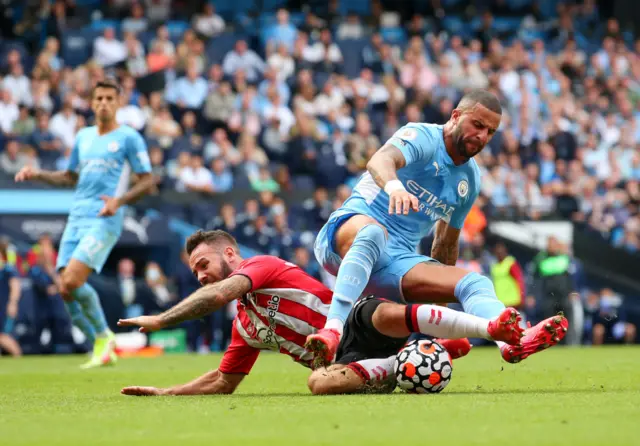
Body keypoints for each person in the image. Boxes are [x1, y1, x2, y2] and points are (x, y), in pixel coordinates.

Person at [309, 89, 568, 367]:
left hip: (395, 262)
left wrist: (442, 327)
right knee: (373, 232)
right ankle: (333, 330)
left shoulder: (469, 180)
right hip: (346, 235)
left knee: (476, 282)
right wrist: (395, 187)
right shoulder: (423, 137)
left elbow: (444, 246)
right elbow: (380, 160)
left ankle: (512, 342)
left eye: (490, 132)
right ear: (456, 116)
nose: (482, 136)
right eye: (477, 125)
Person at [117, 230, 523, 396]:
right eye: (194, 272)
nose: (201, 275)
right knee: (318, 384)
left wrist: (161, 320)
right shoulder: (245, 325)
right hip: (350, 360)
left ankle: (489, 326)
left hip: (348, 321)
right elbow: (223, 381)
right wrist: (167, 393)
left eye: (203, 264)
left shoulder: (261, 267)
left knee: (379, 314)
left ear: (229, 253)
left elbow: (222, 291)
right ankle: (424, 354)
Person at [14, 79, 156, 368]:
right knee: (66, 289)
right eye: (98, 98)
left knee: (71, 279)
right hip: (76, 216)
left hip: (105, 217)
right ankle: (101, 347)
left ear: (118, 102)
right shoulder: (84, 137)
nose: (103, 103)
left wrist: (119, 201)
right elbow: (70, 177)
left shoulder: (129, 137)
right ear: (91, 103)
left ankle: (105, 336)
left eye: (109, 98)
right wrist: (37, 173)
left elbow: (148, 180)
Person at [0, 247, 22, 357]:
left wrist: (13, 303)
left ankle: (17, 356)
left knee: (2, 336)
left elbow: (15, 287)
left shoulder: (8, 270)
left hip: (4, 308)